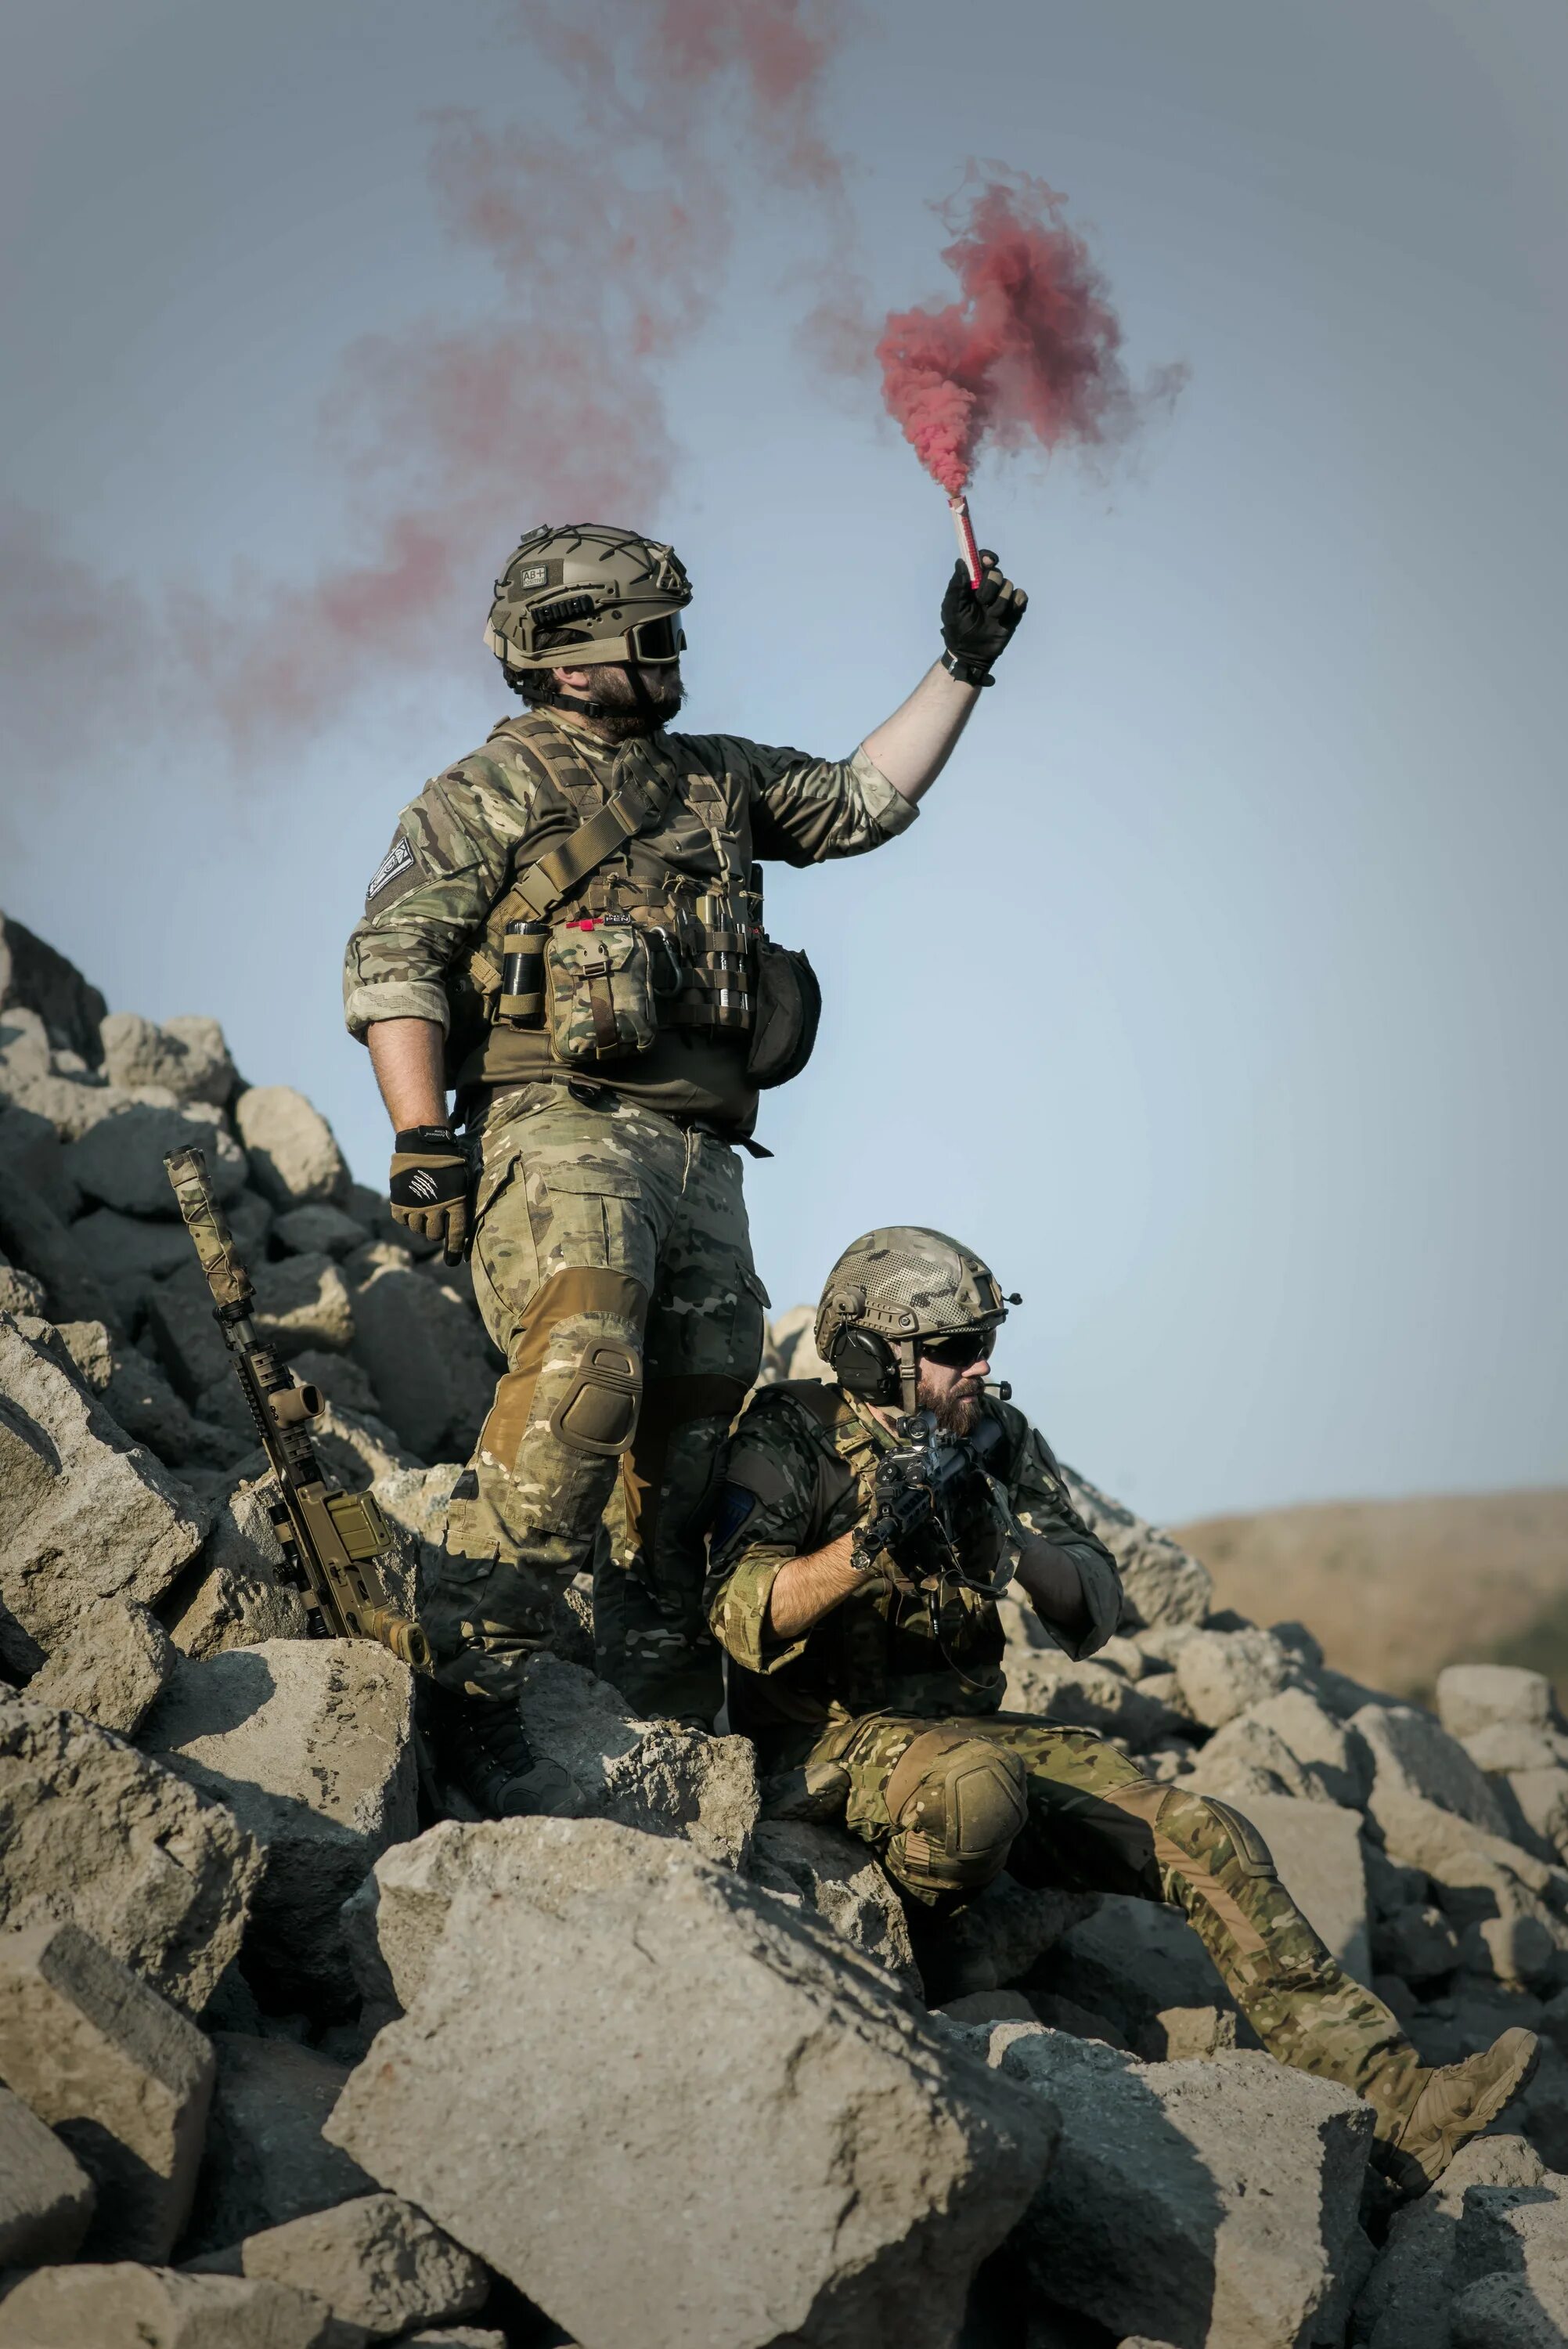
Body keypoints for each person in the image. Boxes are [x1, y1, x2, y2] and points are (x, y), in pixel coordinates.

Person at [343, 523, 1027, 1810]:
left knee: (688, 1464)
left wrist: (961, 665)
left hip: (704, 1163)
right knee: (583, 1375)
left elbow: (859, 802)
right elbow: (396, 965)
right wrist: (424, 1137)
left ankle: (651, 1757)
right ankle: (465, 1674)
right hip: (558, 1133)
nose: (675, 657)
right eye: (652, 634)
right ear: (571, 651)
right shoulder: (480, 794)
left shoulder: (712, 777)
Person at [703, 1224, 1538, 2195]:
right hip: (825, 1737)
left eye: (986, 1346)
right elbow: (741, 1614)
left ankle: (1393, 2105)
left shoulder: (994, 1442)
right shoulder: (788, 1437)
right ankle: (940, 1939)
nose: (978, 1368)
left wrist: (1008, 1542)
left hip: (961, 1730)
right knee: (979, 1791)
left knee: (1202, 1832)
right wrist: (869, 1543)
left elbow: (1093, 1606)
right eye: (952, 1351)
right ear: (867, 1354)